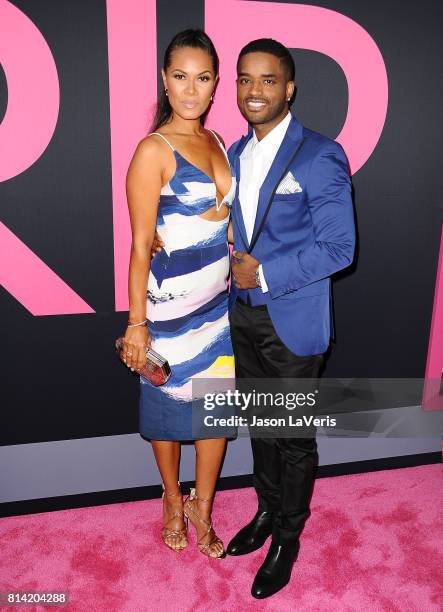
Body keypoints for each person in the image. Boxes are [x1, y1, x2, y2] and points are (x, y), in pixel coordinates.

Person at [225, 39, 356, 598]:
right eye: (245, 79)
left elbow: (340, 247)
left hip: (292, 324)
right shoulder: (233, 152)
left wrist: (268, 274)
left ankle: (287, 536)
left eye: (268, 80)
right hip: (241, 317)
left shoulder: (320, 154)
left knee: (293, 438)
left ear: (289, 87)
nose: (255, 91)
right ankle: (264, 512)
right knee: (260, 426)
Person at [123, 29, 236, 559]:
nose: (192, 89)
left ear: (215, 87)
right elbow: (141, 245)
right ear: (165, 83)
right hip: (167, 314)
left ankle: (203, 507)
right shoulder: (153, 150)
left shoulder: (218, 143)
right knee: (167, 414)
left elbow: (225, 225)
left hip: (217, 310)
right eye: (181, 77)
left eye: (204, 78)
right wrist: (136, 324)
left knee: (214, 417)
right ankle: (172, 499)